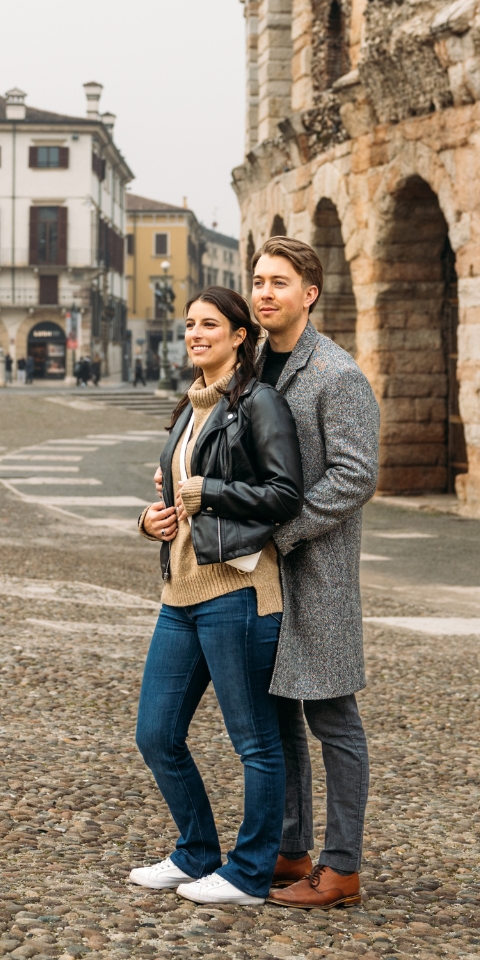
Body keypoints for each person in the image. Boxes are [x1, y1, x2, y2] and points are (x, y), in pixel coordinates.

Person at [132, 287, 304, 906]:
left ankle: (250, 872)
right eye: (189, 325)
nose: (195, 334)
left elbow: (285, 493)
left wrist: (211, 490)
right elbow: (182, 499)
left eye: (210, 325)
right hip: (181, 592)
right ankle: (198, 852)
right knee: (155, 734)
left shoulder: (260, 404)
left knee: (254, 741)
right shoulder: (188, 410)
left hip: (238, 592)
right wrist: (153, 520)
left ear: (240, 336)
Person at [250, 236, 380, 911]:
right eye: (259, 281)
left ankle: (342, 867)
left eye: (279, 282)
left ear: (309, 294)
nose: (265, 292)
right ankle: (292, 846)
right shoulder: (251, 368)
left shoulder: (336, 374)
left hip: (317, 567)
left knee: (332, 716)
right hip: (259, 571)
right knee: (277, 713)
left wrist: (285, 531)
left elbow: (355, 475)